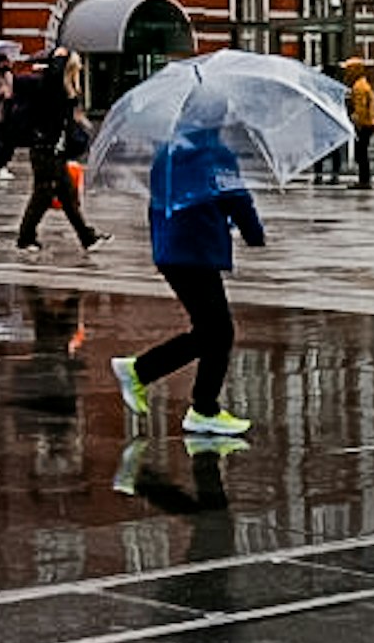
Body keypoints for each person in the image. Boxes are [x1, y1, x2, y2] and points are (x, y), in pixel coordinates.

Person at [113, 129, 266, 441]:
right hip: (196, 250)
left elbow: (159, 198)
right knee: (218, 331)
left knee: (211, 330)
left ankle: (188, 398)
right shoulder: (216, 154)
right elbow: (236, 198)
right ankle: (190, 402)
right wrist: (253, 233)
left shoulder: (167, 152)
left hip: (170, 248)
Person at [8, 42, 101, 253]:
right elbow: (53, 78)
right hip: (44, 150)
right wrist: (59, 57)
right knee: (43, 195)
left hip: (55, 151)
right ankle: (25, 238)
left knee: (67, 196)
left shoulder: (64, 92)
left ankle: (87, 237)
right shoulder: (50, 87)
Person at [344, 62, 374, 191]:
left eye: (349, 70)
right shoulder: (364, 84)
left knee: (361, 153)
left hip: (364, 124)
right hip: (368, 123)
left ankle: (364, 180)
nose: (347, 73)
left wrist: (357, 122)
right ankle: (364, 179)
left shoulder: (359, 87)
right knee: (362, 152)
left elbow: (361, 108)